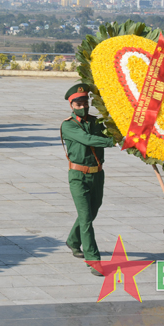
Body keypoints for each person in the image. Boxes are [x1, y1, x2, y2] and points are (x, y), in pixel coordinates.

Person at [60, 83, 115, 276]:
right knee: (86, 218)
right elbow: (89, 140)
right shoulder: (68, 125)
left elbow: (111, 130)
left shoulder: (95, 122)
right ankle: (94, 260)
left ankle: (73, 241)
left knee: (92, 212)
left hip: (97, 174)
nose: (83, 107)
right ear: (71, 105)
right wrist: (113, 141)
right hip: (78, 176)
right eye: (78, 104)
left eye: (85, 103)